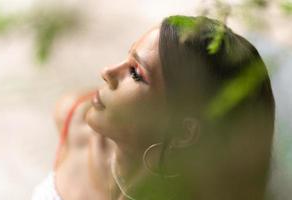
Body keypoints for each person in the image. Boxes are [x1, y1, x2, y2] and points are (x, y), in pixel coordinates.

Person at [32, 15, 275, 200]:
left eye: (136, 73)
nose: (107, 72)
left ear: (183, 132)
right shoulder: (74, 116)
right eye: (127, 57)